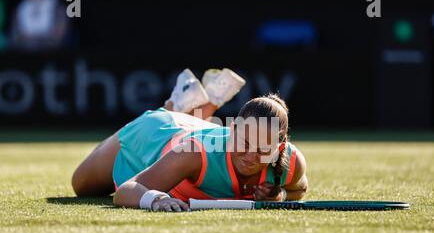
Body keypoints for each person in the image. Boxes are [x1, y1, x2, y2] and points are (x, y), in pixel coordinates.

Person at [72, 68, 308, 212]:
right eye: (244, 144)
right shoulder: (194, 153)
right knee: (81, 186)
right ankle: (173, 107)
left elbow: (299, 189)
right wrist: (156, 199)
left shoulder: (290, 162)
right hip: (154, 136)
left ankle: (187, 103)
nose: (250, 156)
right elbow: (126, 191)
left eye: (263, 150)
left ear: (280, 148)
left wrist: (281, 196)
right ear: (233, 130)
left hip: (194, 132)